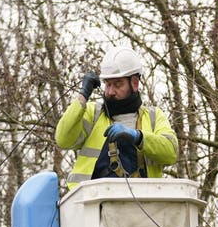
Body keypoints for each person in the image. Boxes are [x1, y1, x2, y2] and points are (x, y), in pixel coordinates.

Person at [56, 45, 178, 189]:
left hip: (144, 203)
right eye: (107, 84)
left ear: (134, 83)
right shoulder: (92, 113)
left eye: (117, 84)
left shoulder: (153, 116)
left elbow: (171, 153)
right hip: (92, 204)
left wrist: (138, 137)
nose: (110, 91)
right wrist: (82, 96)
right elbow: (63, 140)